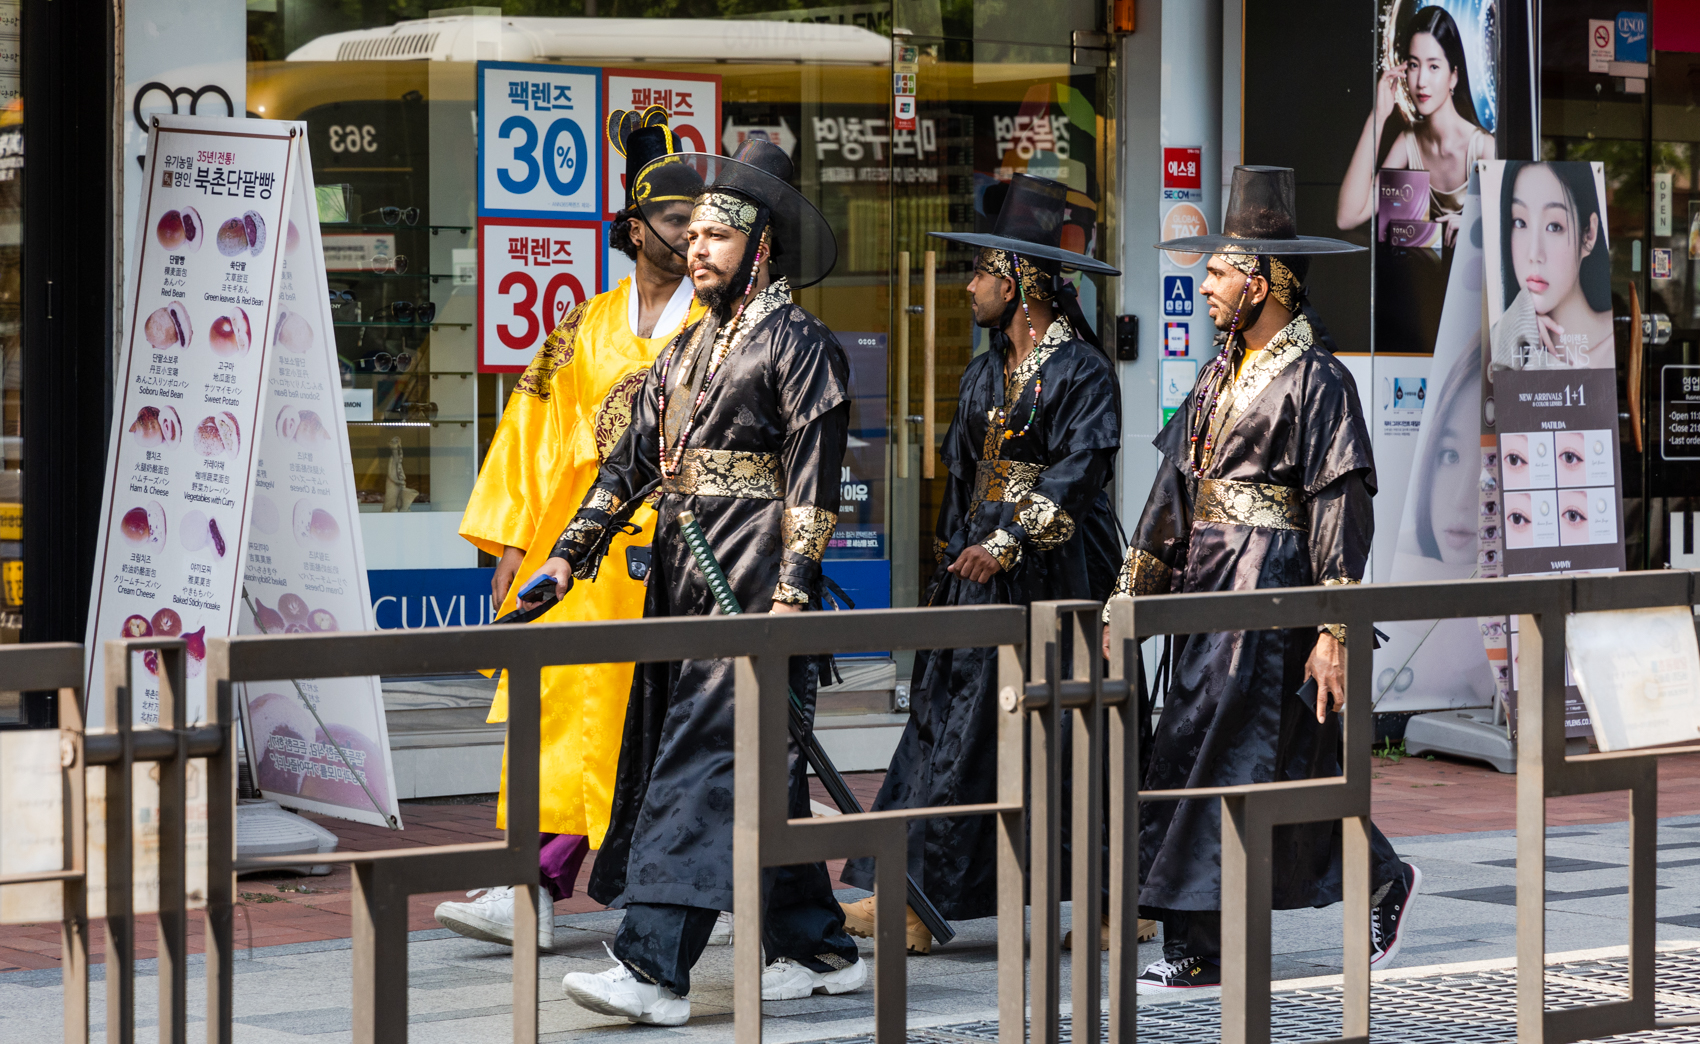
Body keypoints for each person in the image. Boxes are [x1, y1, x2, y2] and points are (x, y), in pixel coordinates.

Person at [525, 138, 866, 1026]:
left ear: (761, 248)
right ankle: (815, 945)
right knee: (753, 765)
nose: (699, 248)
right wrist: (567, 553)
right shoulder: (682, 354)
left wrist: (794, 591)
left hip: (751, 581)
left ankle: (653, 969)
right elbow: (628, 462)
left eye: (720, 235)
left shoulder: (802, 346)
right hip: (680, 578)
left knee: (707, 764)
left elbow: (813, 484)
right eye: (696, 233)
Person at [1108, 166, 1420, 993]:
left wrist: (1334, 629)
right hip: (1208, 592)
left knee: (1233, 764)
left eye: (1217, 271)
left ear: (1264, 282)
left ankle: (1213, 944)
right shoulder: (1216, 376)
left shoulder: (1321, 381)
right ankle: (1233, 933)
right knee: (1209, 758)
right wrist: (1129, 596)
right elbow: (1170, 496)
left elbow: (1340, 512)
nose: (1203, 284)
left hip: (1272, 591)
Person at [839, 173, 1136, 953]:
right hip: (976, 572)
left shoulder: (1085, 374)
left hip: (1059, 571)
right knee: (945, 723)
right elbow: (962, 478)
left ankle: (1105, 902)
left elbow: (1080, 475)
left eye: (980, 273)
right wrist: (952, 557)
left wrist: (1004, 542)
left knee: (1071, 735)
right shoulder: (981, 372)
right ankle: (910, 892)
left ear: (1022, 283)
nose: (968, 286)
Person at [436, 107, 705, 950]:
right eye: (672, 220)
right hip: (585, 558)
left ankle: (687, 892)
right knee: (558, 714)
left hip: (682, 557)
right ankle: (532, 886)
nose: (691, 235)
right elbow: (534, 441)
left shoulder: (720, 325)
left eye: (701, 222)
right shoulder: (583, 326)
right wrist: (514, 547)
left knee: (671, 725)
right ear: (633, 229)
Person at [1337, 5, 1495, 248]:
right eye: (1413, 65)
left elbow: (1510, 235)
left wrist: (1476, 227)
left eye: (1433, 67)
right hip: (1427, 278)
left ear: (1453, 76)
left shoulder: (1484, 148)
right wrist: (1378, 117)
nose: (1421, 81)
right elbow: (1347, 217)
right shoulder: (1408, 140)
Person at [1490, 161, 1614, 373]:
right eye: (1519, 222)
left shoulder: (1615, 346)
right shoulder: (1500, 341)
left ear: (1589, 234)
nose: (1534, 254)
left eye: (1554, 226)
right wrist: (1517, 325)